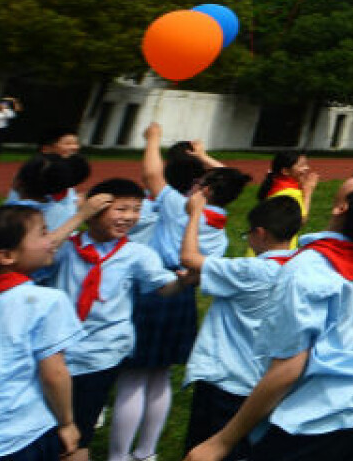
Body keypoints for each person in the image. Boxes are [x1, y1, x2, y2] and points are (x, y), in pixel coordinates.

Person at [183, 172, 353, 461]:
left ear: (341, 207)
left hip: (314, 419)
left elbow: (288, 368)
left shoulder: (308, 270)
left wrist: (222, 441)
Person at [116, 125, 247, 461]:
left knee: (132, 379)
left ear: (201, 188)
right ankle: (146, 452)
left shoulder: (180, 206)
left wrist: (152, 140)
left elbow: (150, 173)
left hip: (154, 286)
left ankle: (118, 456)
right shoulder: (219, 220)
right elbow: (226, 177)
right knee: (160, 376)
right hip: (183, 293)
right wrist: (202, 154)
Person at [48, 178, 182, 440]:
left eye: (135, 209)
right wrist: (79, 216)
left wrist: (183, 281)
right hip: (59, 350)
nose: (129, 217)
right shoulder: (67, 247)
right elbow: (42, 250)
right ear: (94, 210)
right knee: (47, 425)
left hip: (103, 352)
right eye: (120, 209)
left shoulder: (136, 253)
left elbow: (162, 286)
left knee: (80, 430)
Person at [178, 189, 305, 461]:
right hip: (264, 384)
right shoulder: (300, 268)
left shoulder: (250, 270)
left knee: (207, 449)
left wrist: (196, 212)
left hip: (227, 380)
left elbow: (189, 257)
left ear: (260, 234)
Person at [0, 204, 86, 461]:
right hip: (22, 434)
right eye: (42, 233)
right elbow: (54, 373)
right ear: (6, 256)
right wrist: (66, 422)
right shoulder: (45, 301)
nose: (50, 239)